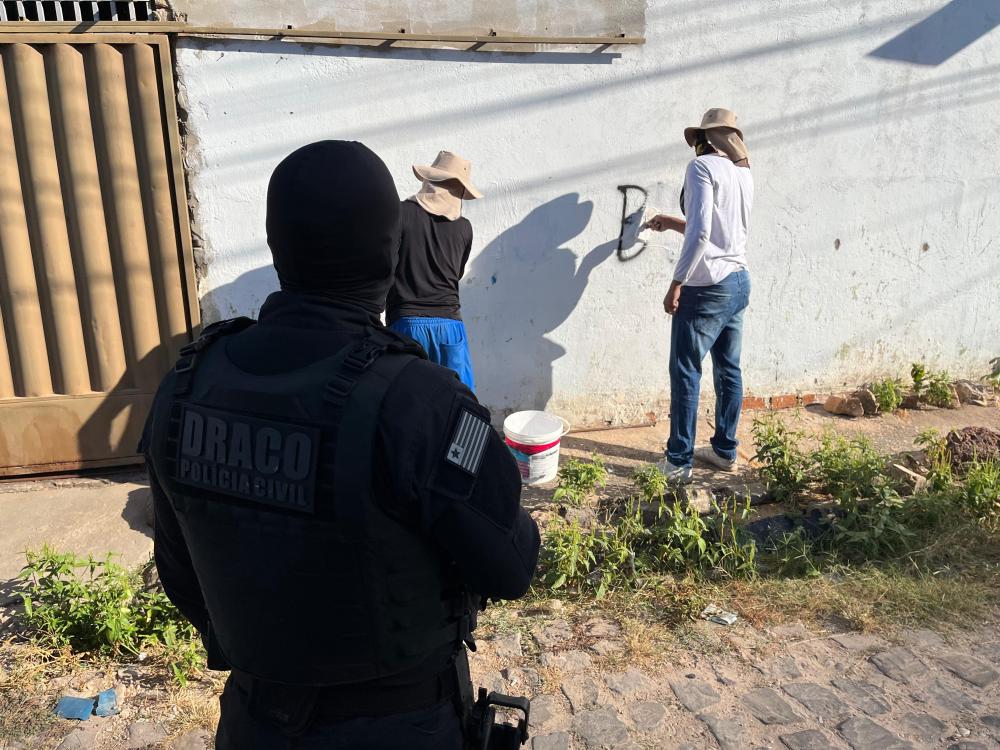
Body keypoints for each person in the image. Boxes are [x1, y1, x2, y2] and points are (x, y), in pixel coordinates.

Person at [142, 140, 540, 749]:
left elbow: (181, 575)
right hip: (401, 725)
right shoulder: (418, 400)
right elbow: (511, 565)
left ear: (277, 248)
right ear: (390, 253)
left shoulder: (185, 386)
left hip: (256, 720)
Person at [646, 108, 754, 482]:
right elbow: (719, 231)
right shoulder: (742, 174)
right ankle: (725, 450)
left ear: (703, 141)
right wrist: (672, 221)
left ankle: (678, 462)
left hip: (706, 288)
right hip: (737, 281)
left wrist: (677, 282)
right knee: (728, 369)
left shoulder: (700, 169)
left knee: (686, 370)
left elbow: (703, 234)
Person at [387, 151, 482, 392]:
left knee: (404, 402)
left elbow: (386, 266)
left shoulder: (399, 214)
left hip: (406, 325)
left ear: (429, 181)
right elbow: (456, 273)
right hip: (450, 328)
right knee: (461, 406)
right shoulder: (464, 228)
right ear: (458, 191)